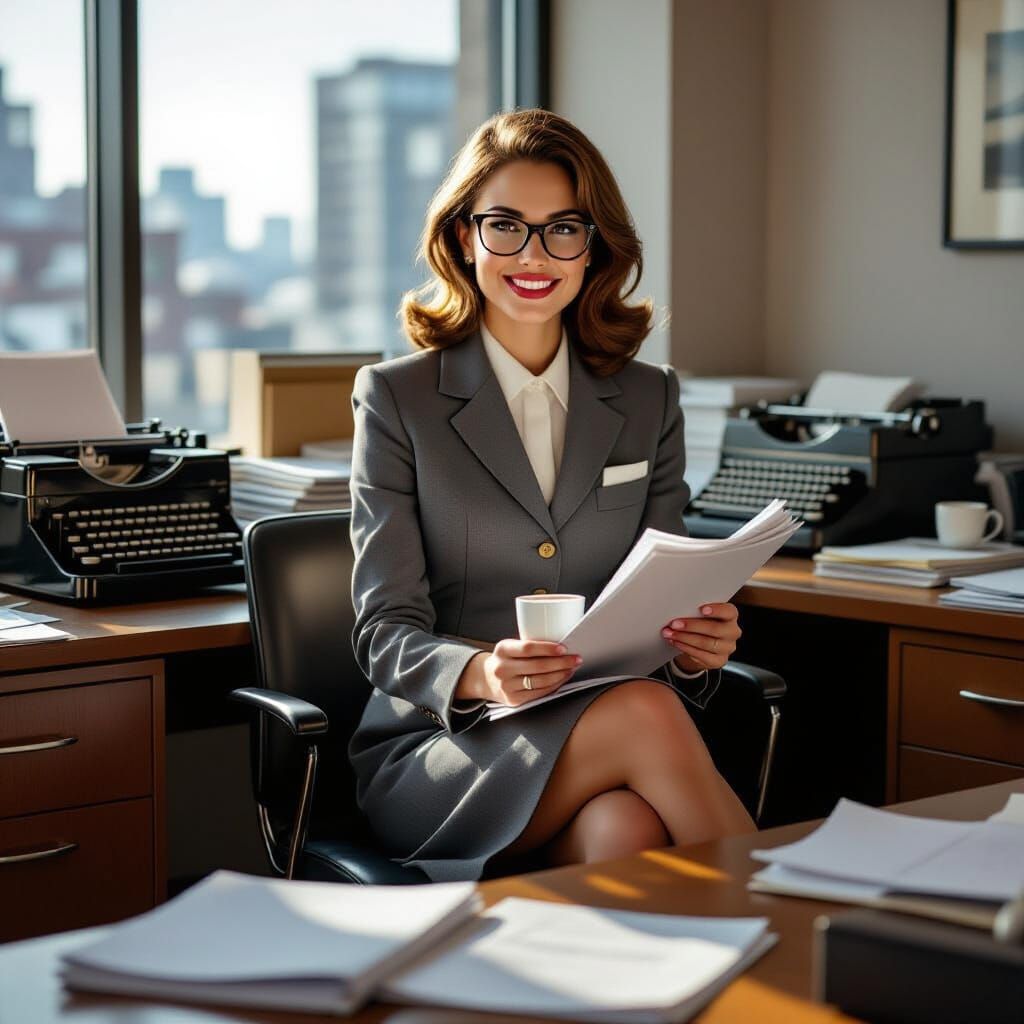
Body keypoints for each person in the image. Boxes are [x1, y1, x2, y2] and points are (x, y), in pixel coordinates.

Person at [348, 108, 754, 883]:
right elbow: (383, 631)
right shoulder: (398, 398)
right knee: (644, 712)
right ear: (464, 237)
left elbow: (666, 589)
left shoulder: (647, 398)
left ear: (594, 245)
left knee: (624, 830)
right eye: (506, 225)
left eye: (563, 228)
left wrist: (697, 648)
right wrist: (482, 675)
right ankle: (802, 933)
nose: (534, 255)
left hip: (603, 733)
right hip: (444, 747)